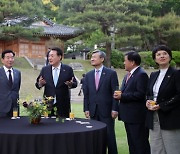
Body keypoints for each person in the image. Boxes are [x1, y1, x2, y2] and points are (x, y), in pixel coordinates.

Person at [146, 45, 180, 154]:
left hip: (170, 115)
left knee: (172, 147)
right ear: (155, 59)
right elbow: (149, 93)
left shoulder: (176, 74)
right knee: (156, 147)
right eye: (158, 54)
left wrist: (162, 105)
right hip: (153, 115)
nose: (162, 56)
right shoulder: (153, 74)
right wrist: (147, 101)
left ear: (169, 57)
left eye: (165, 54)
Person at [113, 51, 150, 154]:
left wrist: (122, 96)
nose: (123, 63)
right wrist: (119, 94)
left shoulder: (141, 75)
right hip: (128, 116)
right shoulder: (127, 75)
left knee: (140, 144)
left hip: (137, 117)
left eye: (125, 61)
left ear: (132, 62)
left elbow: (141, 94)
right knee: (132, 143)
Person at [83, 50, 119, 154]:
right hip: (93, 110)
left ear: (102, 59)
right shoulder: (88, 75)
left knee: (109, 136)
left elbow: (115, 93)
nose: (92, 59)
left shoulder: (111, 73)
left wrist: (115, 108)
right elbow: (87, 94)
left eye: (94, 57)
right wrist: (86, 108)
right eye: (91, 57)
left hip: (107, 111)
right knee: (95, 136)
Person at [35, 47, 77, 118]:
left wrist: (70, 84)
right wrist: (40, 84)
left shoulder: (67, 69)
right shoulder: (45, 70)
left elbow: (75, 83)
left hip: (63, 105)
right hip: (48, 105)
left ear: (59, 57)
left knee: (63, 127)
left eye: (52, 56)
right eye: (49, 56)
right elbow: (37, 84)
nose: (49, 58)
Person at [0, 49, 21, 117]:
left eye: (12, 57)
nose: (10, 60)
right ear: (2, 60)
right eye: (8, 57)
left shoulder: (17, 73)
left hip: (14, 108)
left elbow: (17, 89)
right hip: (2, 108)